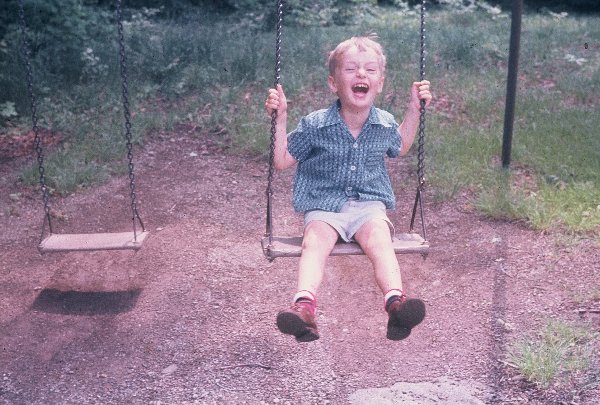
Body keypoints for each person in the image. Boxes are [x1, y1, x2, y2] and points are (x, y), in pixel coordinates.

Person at [264, 35, 432, 342]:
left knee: (381, 240)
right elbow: (281, 160)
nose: (361, 75)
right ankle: (304, 308)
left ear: (379, 83)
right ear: (333, 83)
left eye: (369, 70)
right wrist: (281, 118)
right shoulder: (315, 125)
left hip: (368, 204)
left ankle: (396, 304)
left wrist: (414, 110)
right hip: (324, 205)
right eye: (351, 69)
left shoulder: (384, 124)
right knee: (314, 242)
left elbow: (402, 145)